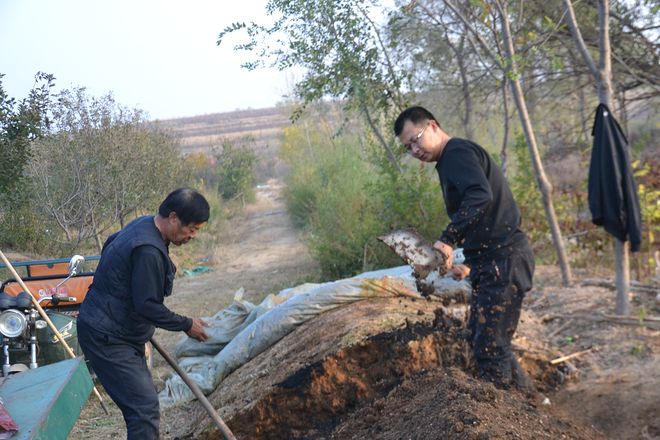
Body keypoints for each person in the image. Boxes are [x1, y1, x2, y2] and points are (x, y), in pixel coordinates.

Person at [394, 106, 535, 390]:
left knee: (489, 348)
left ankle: (498, 421)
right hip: (494, 260)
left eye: (416, 139)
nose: (415, 150)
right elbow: (484, 214)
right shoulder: (449, 160)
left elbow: (480, 195)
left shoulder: (455, 153)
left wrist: (448, 238)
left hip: (504, 260)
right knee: (487, 341)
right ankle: (527, 404)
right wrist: (469, 263)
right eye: (408, 147)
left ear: (432, 126)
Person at [77, 188, 211, 439]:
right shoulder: (148, 249)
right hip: (107, 336)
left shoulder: (144, 224)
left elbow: (110, 245)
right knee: (144, 408)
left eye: (197, 230)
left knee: (142, 405)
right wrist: (186, 324)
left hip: (118, 329)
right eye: (191, 229)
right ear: (173, 217)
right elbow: (148, 306)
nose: (192, 236)